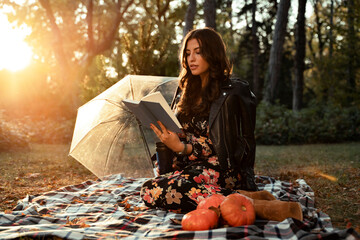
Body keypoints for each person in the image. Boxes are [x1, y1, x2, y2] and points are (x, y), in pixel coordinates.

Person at [140, 27, 257, 213]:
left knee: (167, 189)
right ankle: (233, 199)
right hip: (190, 167)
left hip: (222, 169)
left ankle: (244, 201)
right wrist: (169, 136)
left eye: (198, 52)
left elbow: (229, 141)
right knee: (148, 189)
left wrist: (182, 147)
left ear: (213, 53)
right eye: (187, 54)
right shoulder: (186, 90)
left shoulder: (231, 92)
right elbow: (183, 131)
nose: (191, 59)